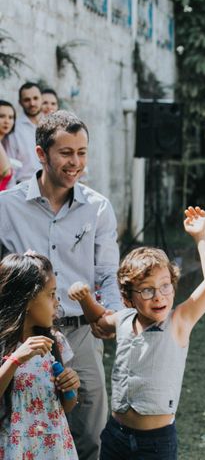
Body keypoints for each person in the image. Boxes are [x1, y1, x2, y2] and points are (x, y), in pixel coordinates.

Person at [0, 110, 122, 460]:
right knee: (18, 429)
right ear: (41, 154)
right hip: (17, 339)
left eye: (82, 152)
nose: (76, 162)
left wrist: (109, 315)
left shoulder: (98, 208)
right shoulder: (6, 208)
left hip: (80, 335)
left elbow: (106, 274)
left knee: (90, 435)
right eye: (66, 153)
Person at [69, 206, 205, 460]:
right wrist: (85, 298)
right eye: (147, 290)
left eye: (165, 286)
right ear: (128, 298)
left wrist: (201, 236)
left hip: (156, 444)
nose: (159, 296)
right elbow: (99, 321)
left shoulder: (180, 322)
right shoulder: (124, 318)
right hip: (115, 434)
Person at [0, 252, 81, 459]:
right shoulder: (4, 345)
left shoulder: (56, 343)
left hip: (53, 448)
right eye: (51, 294)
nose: (57, 302)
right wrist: (15, 360)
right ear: (27, 300)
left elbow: (65, 406)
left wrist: (70, 388)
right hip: (15, 448)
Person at [12, 82, 43, 182]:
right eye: (27, 100)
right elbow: (11, 167)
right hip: (24, 187)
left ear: (41, 98)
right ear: (20, 102)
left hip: (53, 187)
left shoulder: (54, 125)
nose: (32, 103)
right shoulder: (14, 128)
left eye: (35, 98)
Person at [0, 101, 15, 191]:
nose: (7, 121)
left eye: (11, 117)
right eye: (1, 116)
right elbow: (5, 171)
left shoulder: (5, 143)